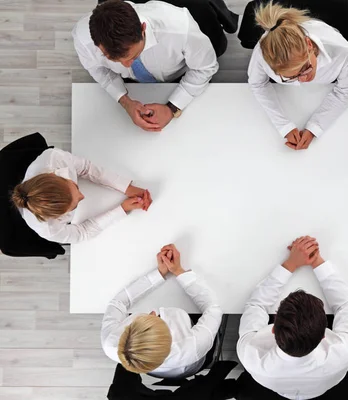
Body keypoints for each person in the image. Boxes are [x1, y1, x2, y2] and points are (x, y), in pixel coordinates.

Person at [236, 236, 348, 399]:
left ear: (273, 328)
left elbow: (256, 305)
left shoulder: (250, 354)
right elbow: (346, 306)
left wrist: (291, 264)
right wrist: (316, 261)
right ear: (324, 334)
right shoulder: (343, 352)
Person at [72, 0, 219, 132]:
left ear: (143, 29)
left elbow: (205, 68)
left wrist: (172, 108)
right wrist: (125, 102)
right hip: (134, 88)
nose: (126, 65)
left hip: (179, 77)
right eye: (114, 59)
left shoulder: (179, 29)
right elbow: (98, 70)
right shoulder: (83, 38)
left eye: (133, 56)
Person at [101, 244, 223, 379]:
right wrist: (179, 271)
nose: (152, 313)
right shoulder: (192, 345)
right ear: (170, 338)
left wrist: (158, 274)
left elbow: (117, 303)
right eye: (157, 319)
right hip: (194, 364)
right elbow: (213, 309)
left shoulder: (110, 344)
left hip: (153, 369)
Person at [248, 2, 348, 151]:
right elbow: (257, 84)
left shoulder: (341, 51)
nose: (303, 80)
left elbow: (345, 90)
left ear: (309, 45)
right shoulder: (262, 53)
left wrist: (316, 127)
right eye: (289, 77)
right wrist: (283, 125)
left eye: (305, 68)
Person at [11, 148, 151, 244]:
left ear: (56, 175)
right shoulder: (48, 229)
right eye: (74, 206)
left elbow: (86, 168)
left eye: (76, 187)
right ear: (57, 216)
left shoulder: (54, 158)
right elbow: (82, 233)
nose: (82, 196)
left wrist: (125, 187)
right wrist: (122, 209)